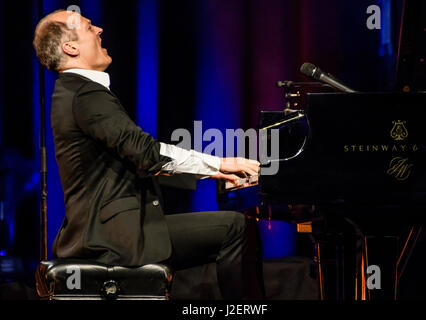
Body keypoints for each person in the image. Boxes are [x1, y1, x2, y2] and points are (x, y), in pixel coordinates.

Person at [33, 9, 264, 299]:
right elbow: (145, 152)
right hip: (112, 240)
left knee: (232, 227)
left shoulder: (74, 92)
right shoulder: (84, 94)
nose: (100, 29)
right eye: (88, 26)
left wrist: (212, 172)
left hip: (109, 233)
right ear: (71, 47)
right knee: (236, 228)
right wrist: (218, 162)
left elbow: (134, 159)